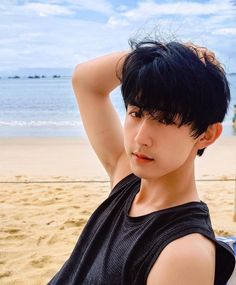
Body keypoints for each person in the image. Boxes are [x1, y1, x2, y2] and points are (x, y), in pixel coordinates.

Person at [48, 39, 235, 285]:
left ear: (206, 135)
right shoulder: (127, 181)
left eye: (166, 120)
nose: (140, 137)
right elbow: (85, 80)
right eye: (136, 113)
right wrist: (160, 57)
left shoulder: (182, 253)